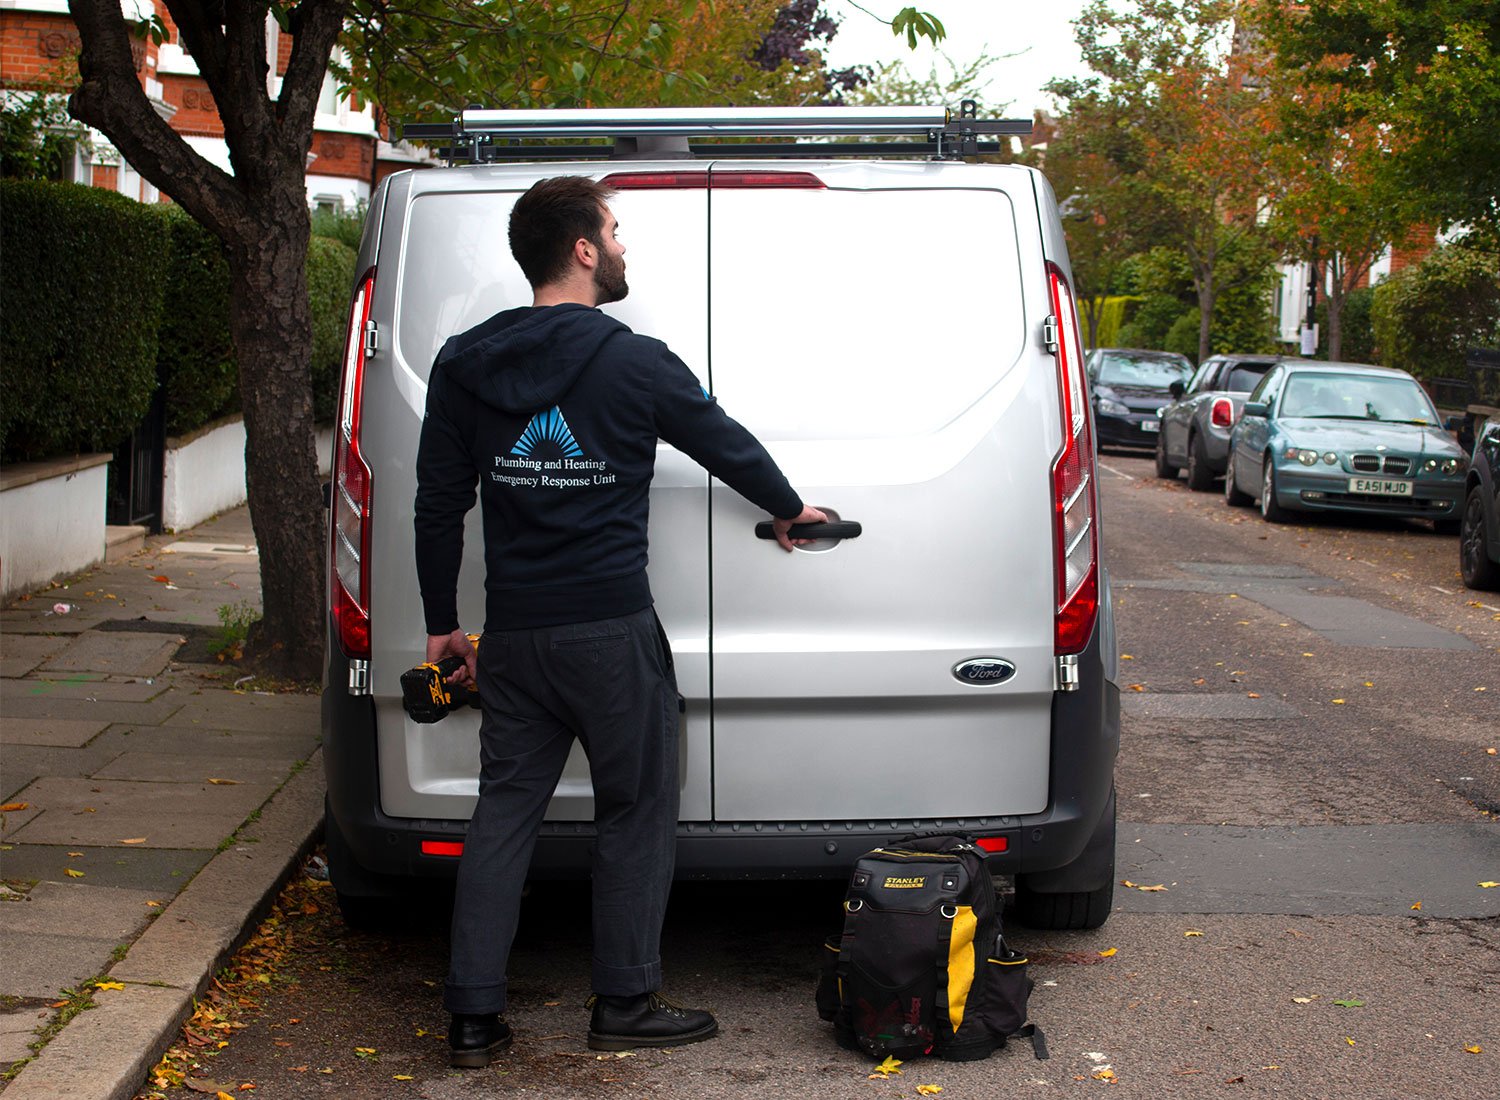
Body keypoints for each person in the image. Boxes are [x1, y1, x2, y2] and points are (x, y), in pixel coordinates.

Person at [413, 175, 826, 1069]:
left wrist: (445, 625)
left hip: (514, 636)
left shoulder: (460, 362)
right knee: (634, 811)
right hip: (609, 632)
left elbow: (437, 503)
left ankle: (474, 1017)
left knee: (503, 815)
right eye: (615, 230)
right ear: (585, 250)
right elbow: (721, 439)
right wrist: (790, 508)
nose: (624, 245)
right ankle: (626, 1001)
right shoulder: (634, 360)